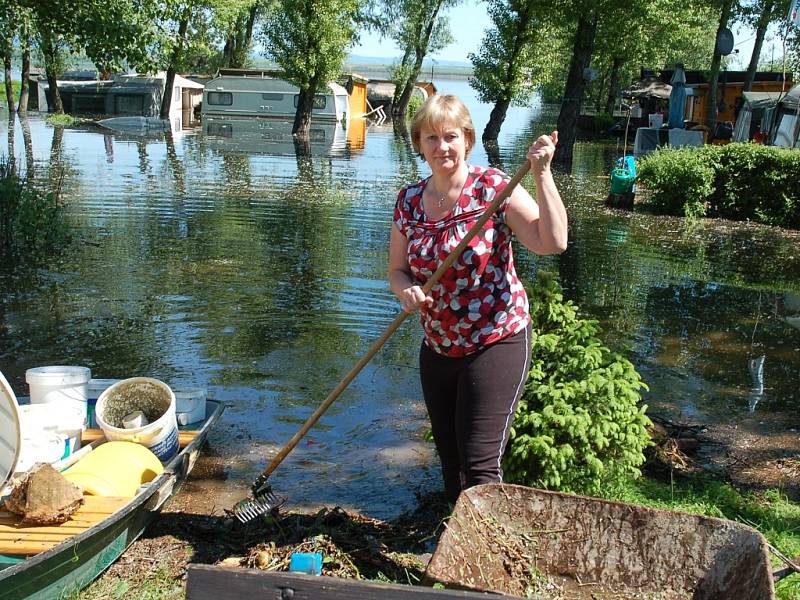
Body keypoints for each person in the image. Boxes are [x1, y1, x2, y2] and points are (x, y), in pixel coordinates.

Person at [388, 95, 568, 504]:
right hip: (437, 347)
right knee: (451, 463)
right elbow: (396, 271)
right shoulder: (409, 202)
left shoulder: (493, 189)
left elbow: (552, 241)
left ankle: (491, 557)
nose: (441, 146)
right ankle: (455, 546)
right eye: (431, 137)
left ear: (467, 139)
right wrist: (407, 291)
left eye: (450, 136)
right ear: (418, 143)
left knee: (480, 464)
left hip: (495, 340)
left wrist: (542, 174)